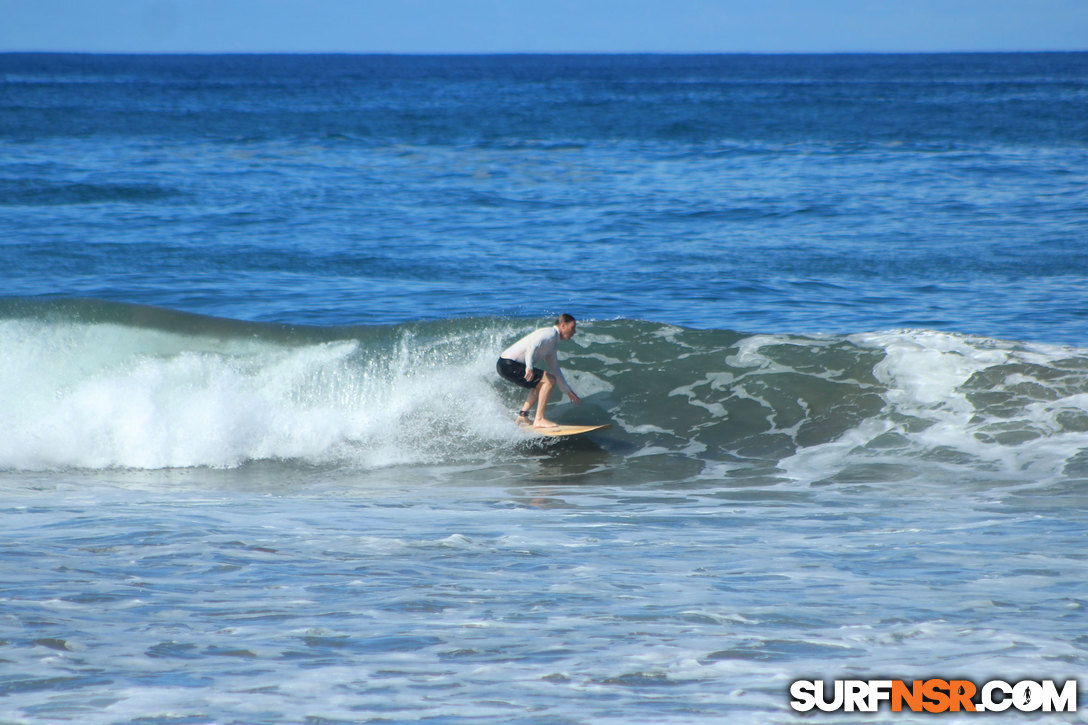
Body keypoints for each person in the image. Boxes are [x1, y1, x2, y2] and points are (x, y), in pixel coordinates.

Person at [497, 314, 582, 428]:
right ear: (563, 325)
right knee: (549, 380)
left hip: (504, 364)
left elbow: (555, 369)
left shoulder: (552, 345)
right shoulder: (550, 333)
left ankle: (523, 416)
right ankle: (539, 419)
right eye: (572, 328)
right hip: (508, 363)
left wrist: (568, 391)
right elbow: (533, 345)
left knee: (542, 384)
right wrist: (529, 367)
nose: (574, 332)